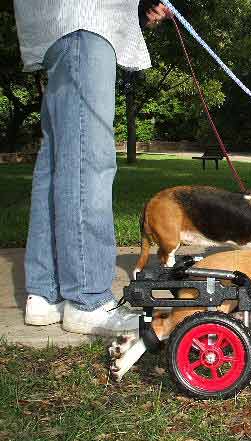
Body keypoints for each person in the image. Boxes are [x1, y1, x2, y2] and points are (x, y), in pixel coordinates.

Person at [13, 1, 170, 336]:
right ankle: (87, 300)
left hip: (59, 22)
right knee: (89, 159)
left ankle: (45, 293)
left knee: (57, 161)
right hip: (86, 16)